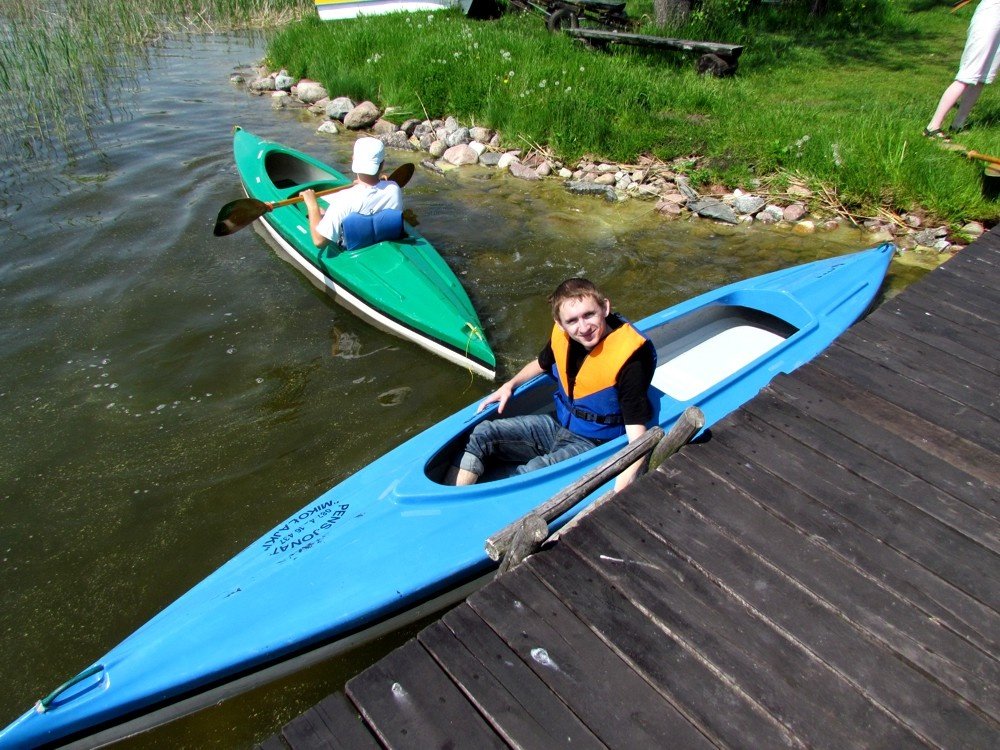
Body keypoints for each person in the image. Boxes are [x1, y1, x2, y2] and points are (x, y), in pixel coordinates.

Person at [445, 278, 656, 493]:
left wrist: (625, 479)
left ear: (605, 308)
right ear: (559, 322)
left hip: (594, 441)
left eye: (589, 315)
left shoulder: (631, 359)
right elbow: (541, 363)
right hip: (558, 425)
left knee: (531, 474)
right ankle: (451, 499)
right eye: (572, 320)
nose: (583, 327)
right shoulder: (565, 336)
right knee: (482, 434)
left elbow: (637, 436)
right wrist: (510, 385)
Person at [301, 137, 403, 249]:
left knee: (320, 211)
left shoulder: (344, 199)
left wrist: (312, 206)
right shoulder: (394, 189)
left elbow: (318, 241)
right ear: (382, 164)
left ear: (353, 159)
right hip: (380, 239)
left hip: (349, 245)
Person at [925, 0, 1000, 137]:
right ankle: (932, 127)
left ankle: (958, 125)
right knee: (967, 76)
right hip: (989, 18)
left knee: (982, 77)